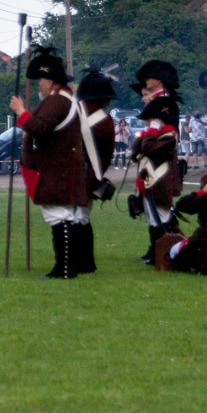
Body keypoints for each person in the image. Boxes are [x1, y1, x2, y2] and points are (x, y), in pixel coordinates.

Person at [10, 47, 89, 279]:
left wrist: (21, 111)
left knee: (59, 215)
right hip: (60, 167)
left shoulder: (57, 102)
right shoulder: (63, 100)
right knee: (63, 215)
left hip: (57, 169)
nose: (39, 84)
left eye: (42, 80)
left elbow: (40, 128)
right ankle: (67, 266)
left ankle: (64, 269)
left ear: (51, 82)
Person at [130, 92, 183, 264]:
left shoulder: (169, 136)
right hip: (150, 182)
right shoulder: (156, 134)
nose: (147, 122)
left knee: (162, 218)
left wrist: (152, 130)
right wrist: (147, 131)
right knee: (153, 219)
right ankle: (157, 254)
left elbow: (149, 148)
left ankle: (168, 253)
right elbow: (137, 149)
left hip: (161, 182)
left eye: (151, 119)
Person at [76, 69, 119, 274]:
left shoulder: (75, 112)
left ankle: (80, 262)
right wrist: (97, 175)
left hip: (76, 172)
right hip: (92, 173)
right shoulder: (106, 121)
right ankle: (85, 262)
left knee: (75, 218)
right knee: (83, 217)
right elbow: (107, 155)